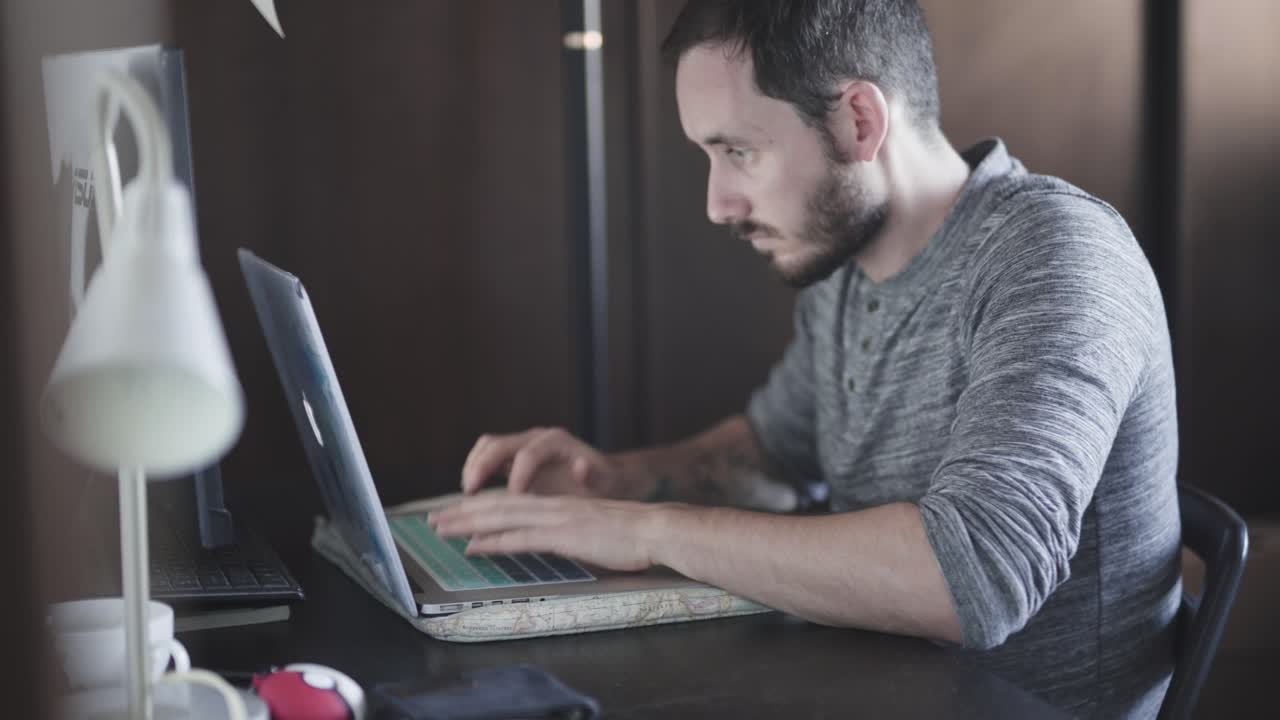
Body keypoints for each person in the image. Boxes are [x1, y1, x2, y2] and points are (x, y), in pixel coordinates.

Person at [428, 1, 1181, 716]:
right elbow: (773, 450)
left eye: (740, 152)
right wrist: (608, 480)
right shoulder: (847, 270)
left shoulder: (1055, 256)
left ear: (859, 119)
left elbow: (975, 579)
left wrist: (649, 529)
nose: (718, 204)